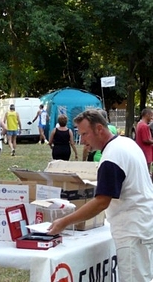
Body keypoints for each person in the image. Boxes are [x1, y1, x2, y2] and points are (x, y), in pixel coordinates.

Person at [48, 109, 153, 281]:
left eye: (84, 134)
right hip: (143, 224)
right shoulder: (126, 143)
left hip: (133, 230)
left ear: (99, 129)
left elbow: (101, 202)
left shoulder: (111, 157)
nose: (82, 140)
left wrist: (64, 222)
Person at [135, 108, 153, 172]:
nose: (152, 117)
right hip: (146, 152)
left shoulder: (139, 124)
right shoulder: (144, 126)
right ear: (147, 115)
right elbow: (145, 140)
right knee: (146, 171)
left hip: (142, 151)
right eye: (151, 115)